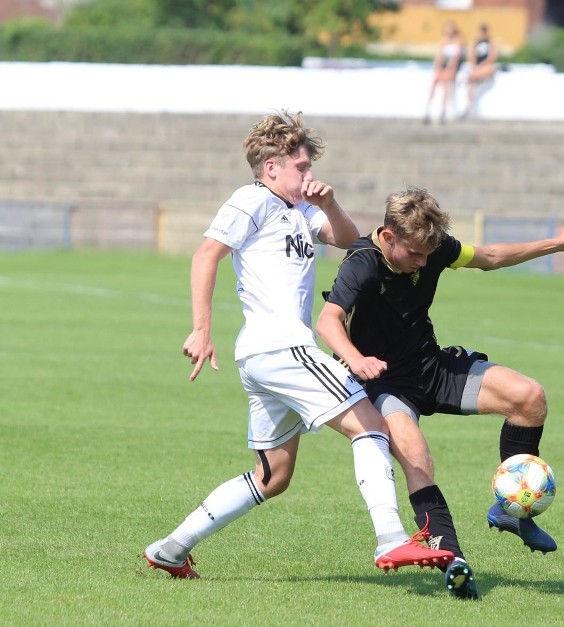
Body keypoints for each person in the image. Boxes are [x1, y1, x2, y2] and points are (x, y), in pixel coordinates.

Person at [143, 112, 454, 579]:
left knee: (273, 476)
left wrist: (329, 203)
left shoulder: (302, 210)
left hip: (264, 357)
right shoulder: (251, 200)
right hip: (282, 348)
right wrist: (201, 329)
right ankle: (391, 539)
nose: (308, 176)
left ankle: (171, 547)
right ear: (271, 167)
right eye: (301, 168)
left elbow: (350, 240)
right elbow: (207, 253)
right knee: (370, 427)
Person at [316, 187, 564, 600]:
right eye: (415, 253)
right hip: (385, 381)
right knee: (416, 456)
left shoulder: (433, 245)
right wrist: (355, 359)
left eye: (429, 253)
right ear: (388, 236)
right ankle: (452, 560)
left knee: (529, 397)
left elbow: (491, 257)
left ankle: (510, 510)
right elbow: (328, 320)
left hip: (432, 366)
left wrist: (558, 242)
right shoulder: (361, 263)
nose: (424, 262)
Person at [424, 21, 464, 124]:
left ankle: (443, 111)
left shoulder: (458, 41)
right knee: (434, 82)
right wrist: (438, 67)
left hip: (451, 68)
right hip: (442, 66)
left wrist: (449, 68)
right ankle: (427, 110)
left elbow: (456, 57)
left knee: (446, 84)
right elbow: (439, 56)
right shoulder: (443, 41)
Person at [463, 23, 499, 117]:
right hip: (477, 68)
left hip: (486, 67)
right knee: (471, 80)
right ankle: (469, 106)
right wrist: (475, 65)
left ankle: (470, 107)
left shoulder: (491, 42)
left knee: (473, 76)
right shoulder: (475, 42)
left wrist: (482, 65)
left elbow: (492, 56)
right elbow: (471, 55)